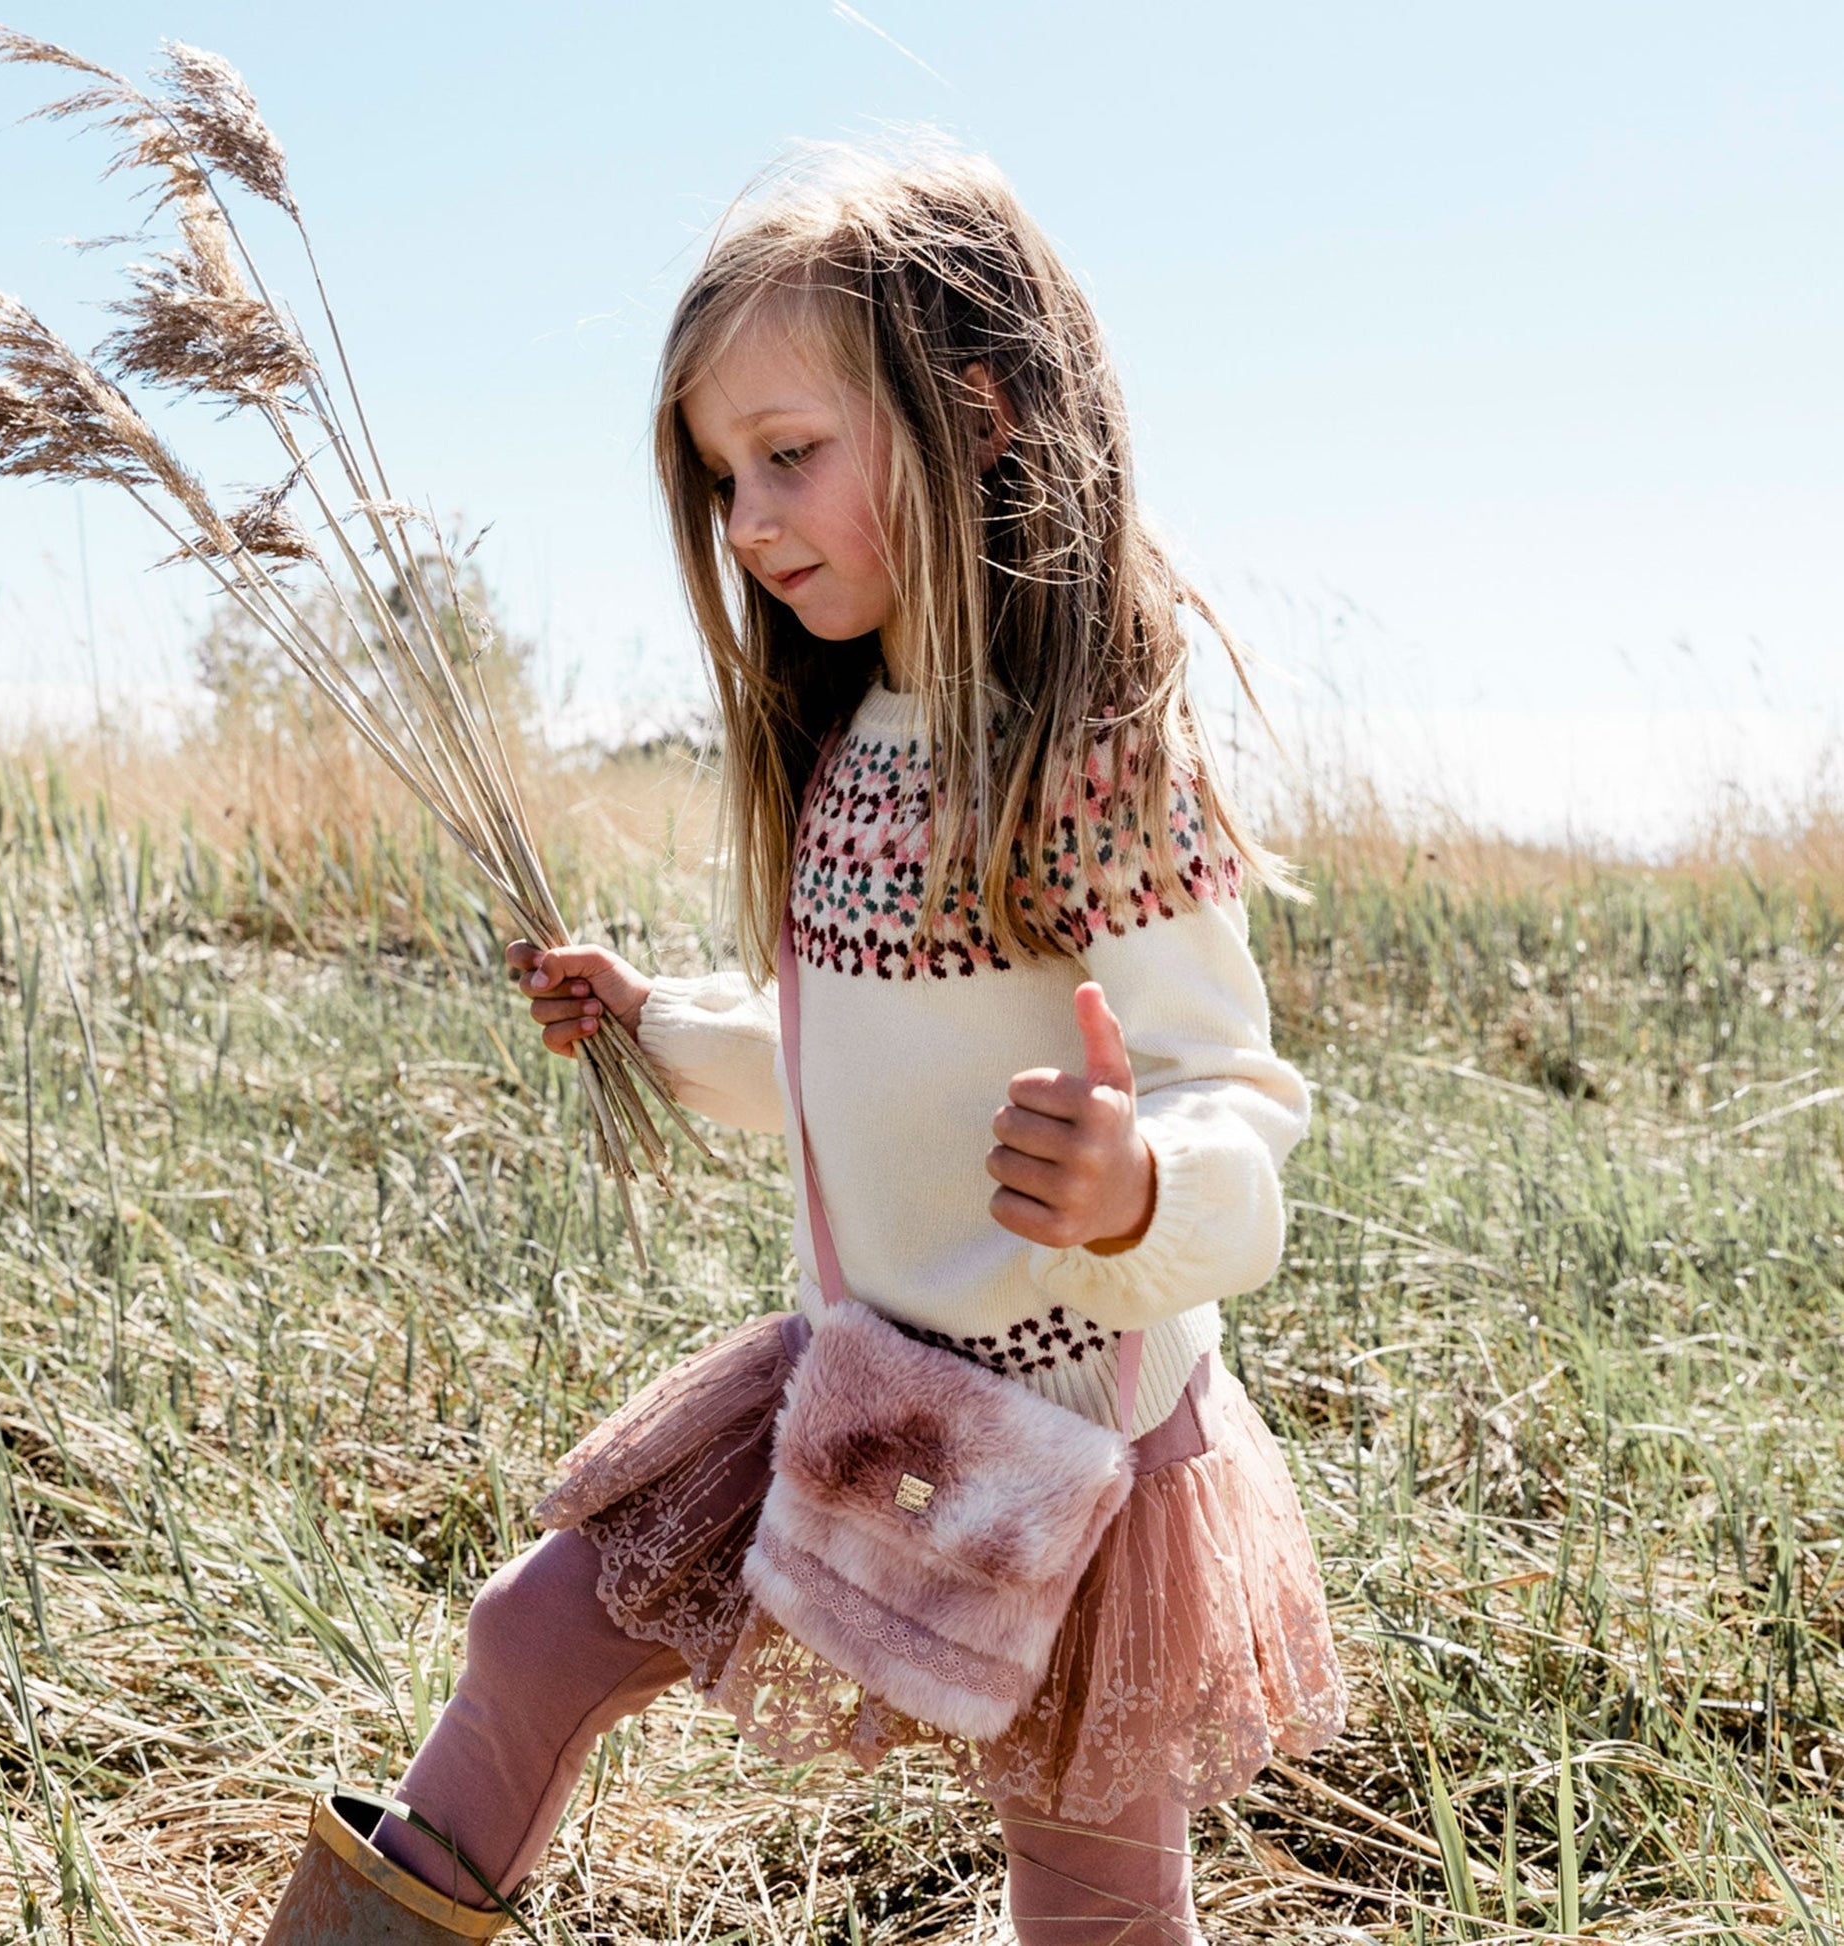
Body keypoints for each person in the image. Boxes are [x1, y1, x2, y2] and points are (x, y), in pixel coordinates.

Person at [258, 144, 1345, 1946]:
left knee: (1087, 1878)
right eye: (720, 477)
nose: (748, 519)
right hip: (854, 1379)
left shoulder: (1084, 756)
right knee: (537, 1633)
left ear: (979, 410)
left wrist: (1143, 1180)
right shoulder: (853, 743)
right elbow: (843, 1062)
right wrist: (659, 1020)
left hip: (1066, 1422)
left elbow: (1233, 1089)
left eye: (790, 454)